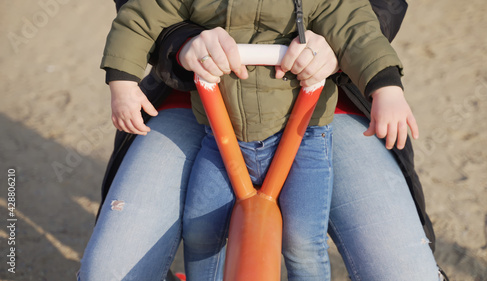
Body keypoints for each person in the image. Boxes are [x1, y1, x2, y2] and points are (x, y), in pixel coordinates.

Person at [79, 0, 447, 280]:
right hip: (211, 119)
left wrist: (383, 85)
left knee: (303, 240)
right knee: (201, 229)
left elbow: (355, 23)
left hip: (308, 124)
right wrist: (138, 68)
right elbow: (145, 12)